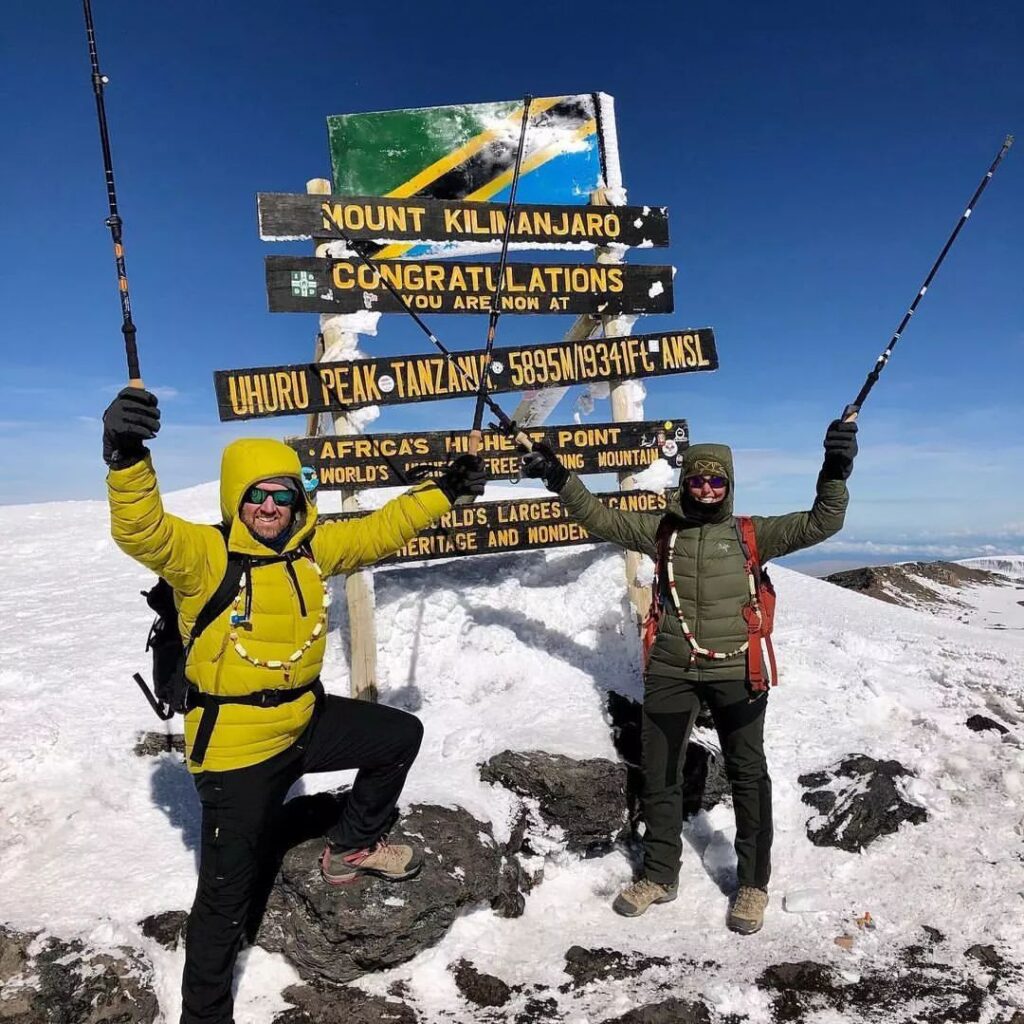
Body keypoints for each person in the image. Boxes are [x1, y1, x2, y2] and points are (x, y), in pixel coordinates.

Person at [102, 386, 486, 1024]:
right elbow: (143, 529)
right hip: (235, 751)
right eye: (257, 494)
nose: (271, 506)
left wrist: (445, 489)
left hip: (305, 722)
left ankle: (351, 845)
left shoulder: (312, 551)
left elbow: (380, 531)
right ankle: (204, 1016)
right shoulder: (205, 558)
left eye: (283, 493)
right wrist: (125, 453)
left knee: (398, 737)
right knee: (225, 900)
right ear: (236, 499)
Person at [522, 420, 857, 934]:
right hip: (672, 670)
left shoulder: (752, 533)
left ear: (729, 485)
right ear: (684, 483)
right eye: (697, 480)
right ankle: (659, 875)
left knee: (748, 775)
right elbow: (597, 518)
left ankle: (751, 884)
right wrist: (559, 477)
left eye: (716, 481)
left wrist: (835, 467)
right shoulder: (661, 530)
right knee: (659, 773)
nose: (706, 489)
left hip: (737, 672)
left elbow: (822, 521)